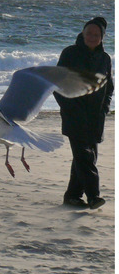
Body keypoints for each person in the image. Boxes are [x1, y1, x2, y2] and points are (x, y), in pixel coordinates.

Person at [55, 17, 114, 210]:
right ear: (83, 33)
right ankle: (93, 196)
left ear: (102, 37)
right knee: (84, 156)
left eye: (96, 34)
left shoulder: (105, 58)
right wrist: (68, 108)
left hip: (96, 117)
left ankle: (72, 196)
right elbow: (58, 83)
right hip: (74, 114)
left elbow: (109, 87)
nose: (92, 37)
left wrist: (104, 108)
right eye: (89, 33)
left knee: (86, 157)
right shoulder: (70, 53)